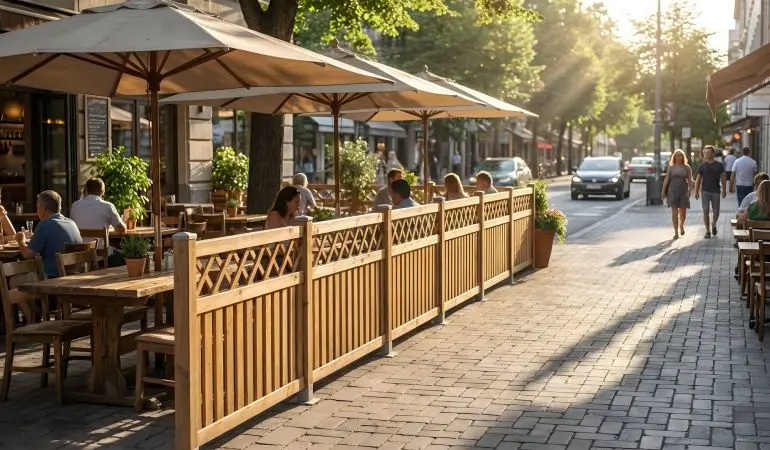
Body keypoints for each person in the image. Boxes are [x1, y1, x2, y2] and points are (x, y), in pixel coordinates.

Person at [15, 190, 82, 279]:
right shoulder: (71, 223)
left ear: (43, 209)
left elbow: (27, 255)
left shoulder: (45, 224)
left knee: (10, 280)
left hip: (51, 278)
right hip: (74, 276)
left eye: (37, 207)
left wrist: (21, 241)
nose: (37, 211)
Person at [694, 146, 726, 238]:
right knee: (705, 210)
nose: (706, 154)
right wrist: (696, 191)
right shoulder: (702, 166)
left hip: (716, 191)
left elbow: (723, 178)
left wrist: (724, 189)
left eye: (708, 152)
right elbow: (698, 179)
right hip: (705, 191)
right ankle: (708, 231)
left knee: (716, 211)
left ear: (713, 153)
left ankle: (714, 223)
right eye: (705, 152)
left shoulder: (719, 165)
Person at [661, 149, 694, 240]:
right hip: (673, 191)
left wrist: (690, 190)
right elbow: (666, 179)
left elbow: (690, 180)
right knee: (674, 212)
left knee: (683, 213)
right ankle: (676, 231)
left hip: (683, 191)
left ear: (683, 157)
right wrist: (663, 191)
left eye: (680, 155)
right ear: (674, 157)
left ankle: (681, 225)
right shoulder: (671, 167)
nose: (679, 156)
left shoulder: (687, 167)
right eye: (677, 155)